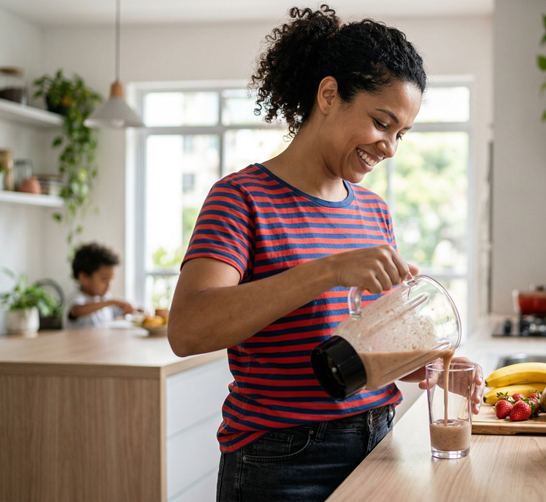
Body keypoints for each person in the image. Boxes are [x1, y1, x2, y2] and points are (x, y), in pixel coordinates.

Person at [167, 6, 484, 501]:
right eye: (382, 123)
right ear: (329, 94)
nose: (391, 147)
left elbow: (372, 349)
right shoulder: (241, 198)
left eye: (401, 133)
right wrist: (331, 269)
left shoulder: (374, 212)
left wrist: (434, 368)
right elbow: (187, 329)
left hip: (379, 436)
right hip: (282, 460)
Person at [64, 242, 134, 329]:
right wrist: (111, 302)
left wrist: (134, 310)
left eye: (111, 279)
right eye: (104, 279)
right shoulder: (77, 297)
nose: (109, 284)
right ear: (83, 277)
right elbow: (77, 311)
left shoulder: (105, 298)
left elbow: (122, 312)